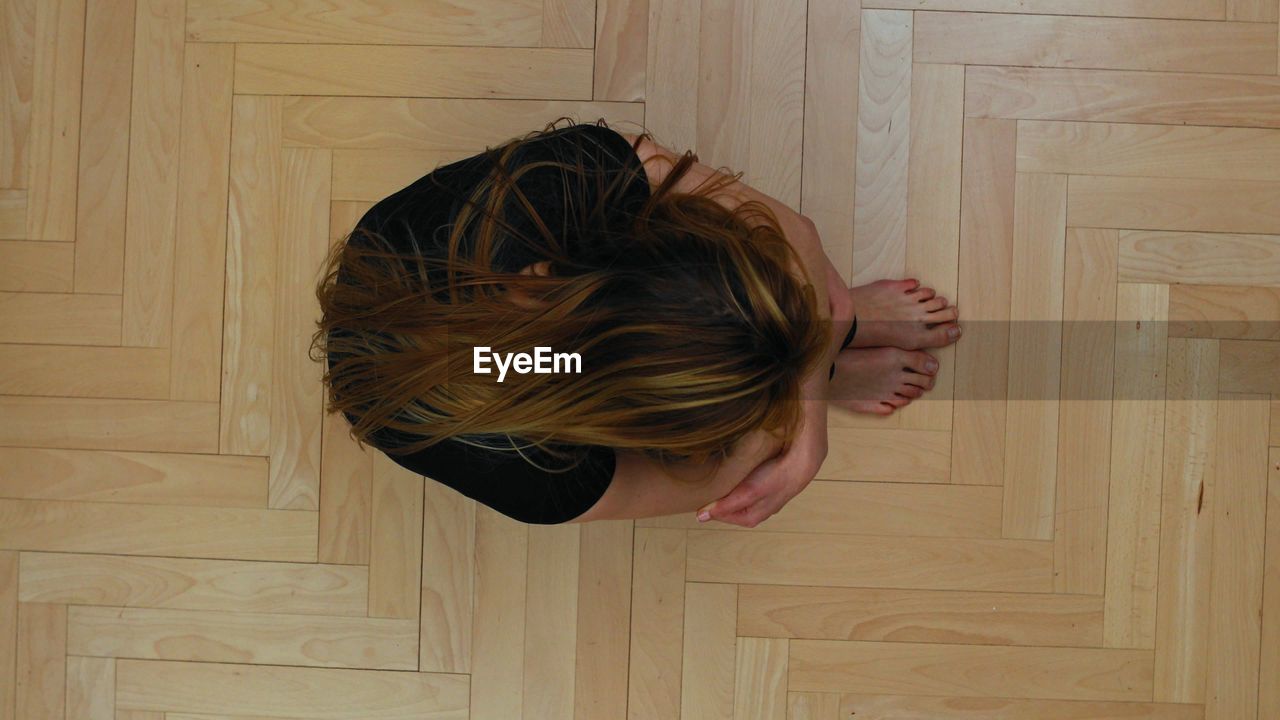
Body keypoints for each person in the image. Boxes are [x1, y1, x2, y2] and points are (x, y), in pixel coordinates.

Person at [312, 117, 960, 528]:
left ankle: (803, 351)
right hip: (443, 383)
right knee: (804, 311)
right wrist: (821, 353)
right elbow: (706, 478)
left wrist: (809, 404)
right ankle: (809, 356)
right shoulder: (537, 471)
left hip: (502, 330)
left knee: (806, 307)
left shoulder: (552, 184)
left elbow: (795, 233)